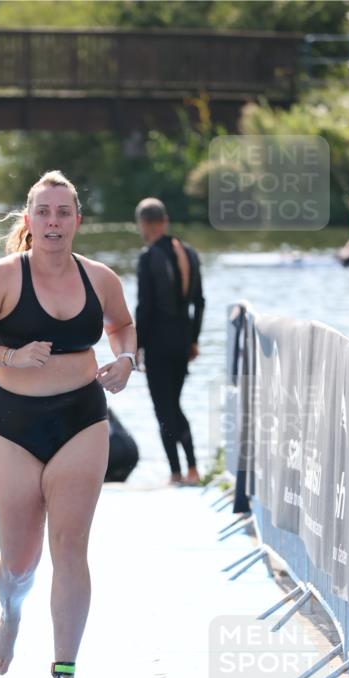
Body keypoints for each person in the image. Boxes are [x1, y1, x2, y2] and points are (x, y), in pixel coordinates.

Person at [0, 170, 137, 678]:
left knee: (70, 546)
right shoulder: (3, 276)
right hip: (11, 425)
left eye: (63, 212)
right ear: (28, 220)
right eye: (44, 212)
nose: (53, 222)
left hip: (81, 418)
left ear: (77, 219)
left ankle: (64, 675)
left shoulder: (100, 278)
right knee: (19, 557)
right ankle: (10, 611)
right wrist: (9, 355)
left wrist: (126, 359)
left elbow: (123, 327)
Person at [135, 197, 204, 486]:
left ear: (144, 224)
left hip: (158, 345)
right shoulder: (188, 252)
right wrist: (194, 340)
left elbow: (145, 307)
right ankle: (193, 469)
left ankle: (177, 472)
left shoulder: (148, 257)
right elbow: (199, 302)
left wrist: (137, 346)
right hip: (182, 341)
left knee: (164, 409)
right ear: (165, 221)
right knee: (174, 404)